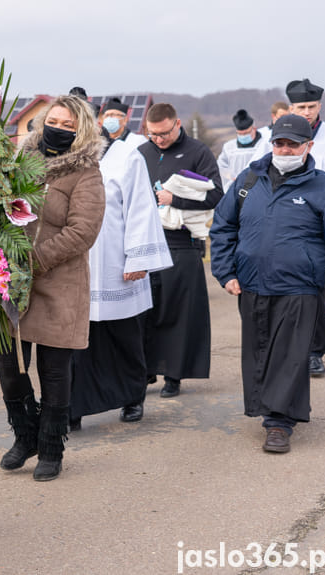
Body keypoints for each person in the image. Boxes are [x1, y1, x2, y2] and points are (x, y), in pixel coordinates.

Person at [210, 114, 325, 453]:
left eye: (293, 144)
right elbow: (223, 226)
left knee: (290, 356)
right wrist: (225, 272)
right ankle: (264, 410)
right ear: (271, 144)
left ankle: (279, 423)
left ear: (308, 146)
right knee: (258, 353)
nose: (285, 150)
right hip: (252, 285)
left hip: (299, 288)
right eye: (279, 143)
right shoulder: (249, 179)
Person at [0, 95, 105, 481]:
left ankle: (52, 448)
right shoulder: (18, 160)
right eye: (53, 121)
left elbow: (84, 231)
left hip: (59, 280)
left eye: (68, 125)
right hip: (11, 280)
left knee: (54, 369)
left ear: (81, 132)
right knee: (9, 364)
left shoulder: (86, 172)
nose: (58, 128)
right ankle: (26, 436)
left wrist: (35, 259)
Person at [70, 134, 172, 429]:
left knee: (123, 336)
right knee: (75, 343)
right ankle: (72, 407)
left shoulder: (126, 156)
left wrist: (138, 258)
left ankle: (132, 397)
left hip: (116, 263)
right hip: (76, 263)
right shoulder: (61, 155)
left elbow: (141, 207)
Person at [252, 79, 325, 376]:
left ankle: (315, 351)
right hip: (286, 225)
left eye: (311, 106)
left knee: (320, 294)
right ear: (290, 107)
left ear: (319, 106)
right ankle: (295, 351)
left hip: (322, 224)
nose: (306, 112)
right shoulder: (271, 137)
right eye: (300, 107)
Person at [137, 103, 223, 399]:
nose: (158, 140)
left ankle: (174, 374)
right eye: (152, 134)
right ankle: (145, 369)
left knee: (178, 312)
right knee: (145, 310)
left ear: (177, 125)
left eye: (163, 134)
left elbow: (216, 195)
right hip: (146, 240)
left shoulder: (198, 152)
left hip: (182, 242)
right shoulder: (143, 152)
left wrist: (176, 199)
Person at [217, 109, 267, 187]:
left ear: (254, 129)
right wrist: (229, 175)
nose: (243, 136)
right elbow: (221, 166)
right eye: (240, 134)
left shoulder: (265, 145)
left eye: (246, 133)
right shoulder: (229, 147)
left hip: (258, 187)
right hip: (234, 186)